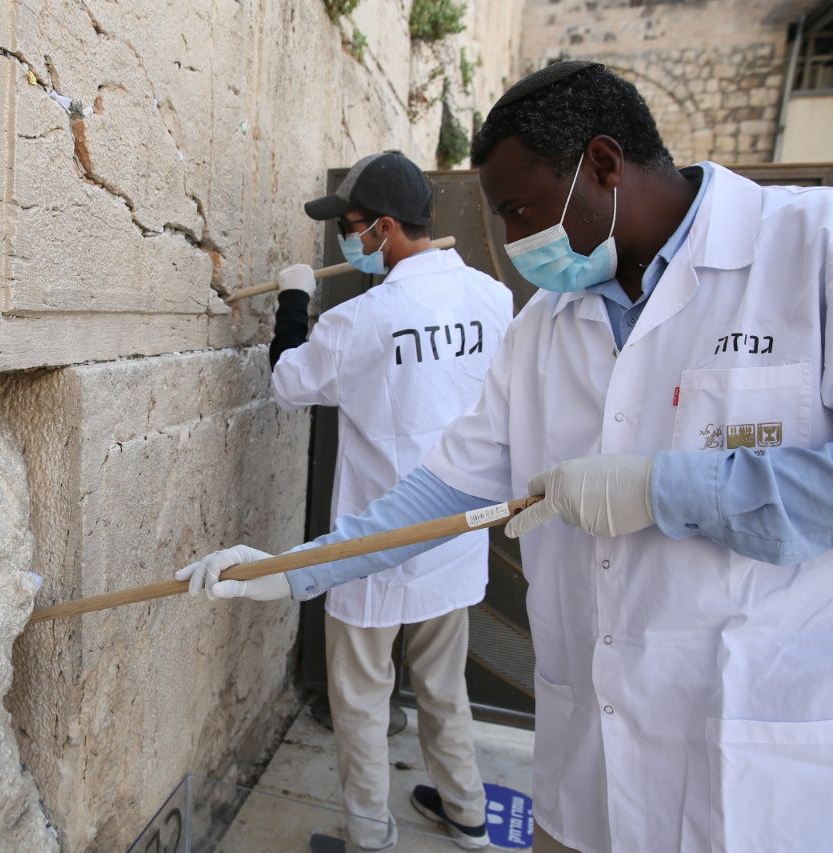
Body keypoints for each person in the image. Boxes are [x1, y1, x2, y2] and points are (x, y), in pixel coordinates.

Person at [178, 60, 833, 853]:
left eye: (521, 212)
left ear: (602, 164)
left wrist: (666, 488)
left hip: (753, 785)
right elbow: (441, 489)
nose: (519, 244)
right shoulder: (539, 323)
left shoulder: (811, 250)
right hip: (583, 780)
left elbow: (294, 382)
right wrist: (294, 568)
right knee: (442, 692)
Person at [251, 150, 511, 850]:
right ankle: (465, 811)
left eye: (354, 226)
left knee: (362, 701)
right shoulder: (494, 300)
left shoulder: (361, 319)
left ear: (386, 229)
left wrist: (294, 300)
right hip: (452, 538)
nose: (350, 239)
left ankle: (369, 836)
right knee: (443, 686)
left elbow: (288, 383)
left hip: (372, 545)